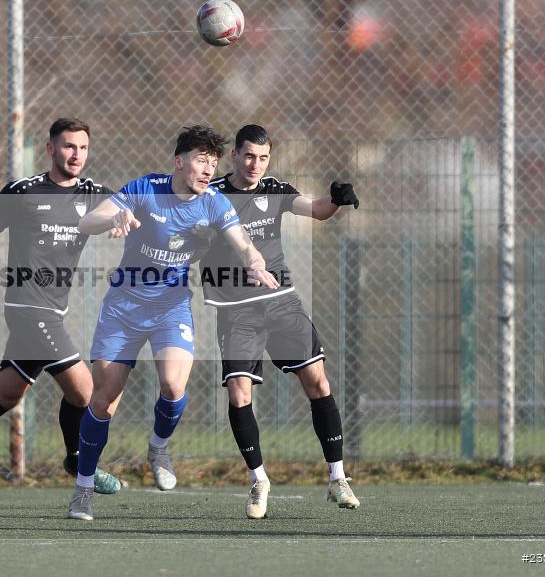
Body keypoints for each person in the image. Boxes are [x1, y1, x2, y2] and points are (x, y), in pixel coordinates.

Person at [67, 125, 279, 521]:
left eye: (213, 163)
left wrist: (254, 263)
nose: (207, 169)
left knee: (173, 385)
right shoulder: (146, 189)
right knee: (103, 400)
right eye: (201, 161)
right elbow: (88, 222)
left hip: (170, 308)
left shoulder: (214, 202)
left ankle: (158, 446)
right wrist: (116, 216)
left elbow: (243, 242)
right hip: (123, 309)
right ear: (178, 162)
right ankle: (82, 490)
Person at [0, 118, 120, 495]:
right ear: (50, 149)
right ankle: (77, 459)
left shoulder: (94, 194)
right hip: (26, 308)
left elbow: (134, 206)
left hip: (55, 312)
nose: (76, 155)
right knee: (85, 392)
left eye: (83, 148)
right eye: (69, 146)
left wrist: (128, 216)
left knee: (6, 392)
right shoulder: (24, 191)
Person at [198, 124, 361, 519]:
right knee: (239, 394)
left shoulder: (275, 190)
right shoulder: (211, 195)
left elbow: (317, 209)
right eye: (249, 156)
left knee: (318, 381)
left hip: (281, 303)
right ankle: (258, 480)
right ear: (235, 155)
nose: (256, 164)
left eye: (263, 157)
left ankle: (337, 477)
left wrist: (336, 199)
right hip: (237, 311)